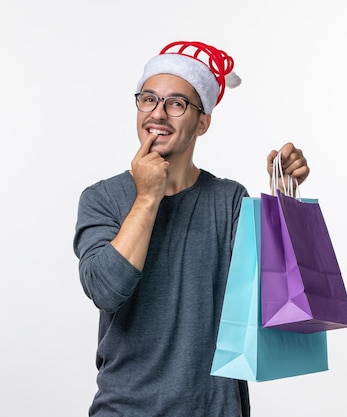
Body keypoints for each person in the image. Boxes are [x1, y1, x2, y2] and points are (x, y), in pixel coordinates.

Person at [73, 40, 310, 417]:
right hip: (124, 409)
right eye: (148, 99)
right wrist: (148, 196)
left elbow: (274, 302)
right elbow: (105, 289)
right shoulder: (103, 198)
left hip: (214, 409)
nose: (158, 114)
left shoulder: (229, 200)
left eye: (176, 103)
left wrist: (285, 201)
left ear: (203, 122)